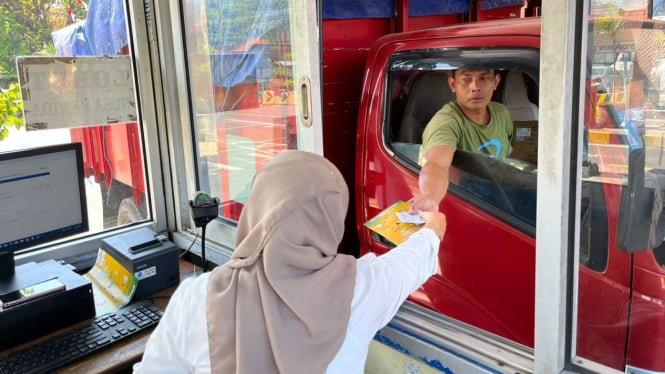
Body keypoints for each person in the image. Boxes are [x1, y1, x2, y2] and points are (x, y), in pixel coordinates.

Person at [133, 150, 447, 374]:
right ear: (332, 220)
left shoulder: (196, 297)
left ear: (257, 208)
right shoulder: (360, 289)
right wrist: (430, 216)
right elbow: (423, 246)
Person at [409, 68, 513, 214]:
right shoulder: (446, 122)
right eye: (466, 79)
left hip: (500, 190)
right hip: (472, 202)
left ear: (495, 82)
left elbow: (508, 156)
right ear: (452, 85)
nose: (475, 87)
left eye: (484, 78)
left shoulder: (501, 113)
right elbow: (437, 165)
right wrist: (430, 196)